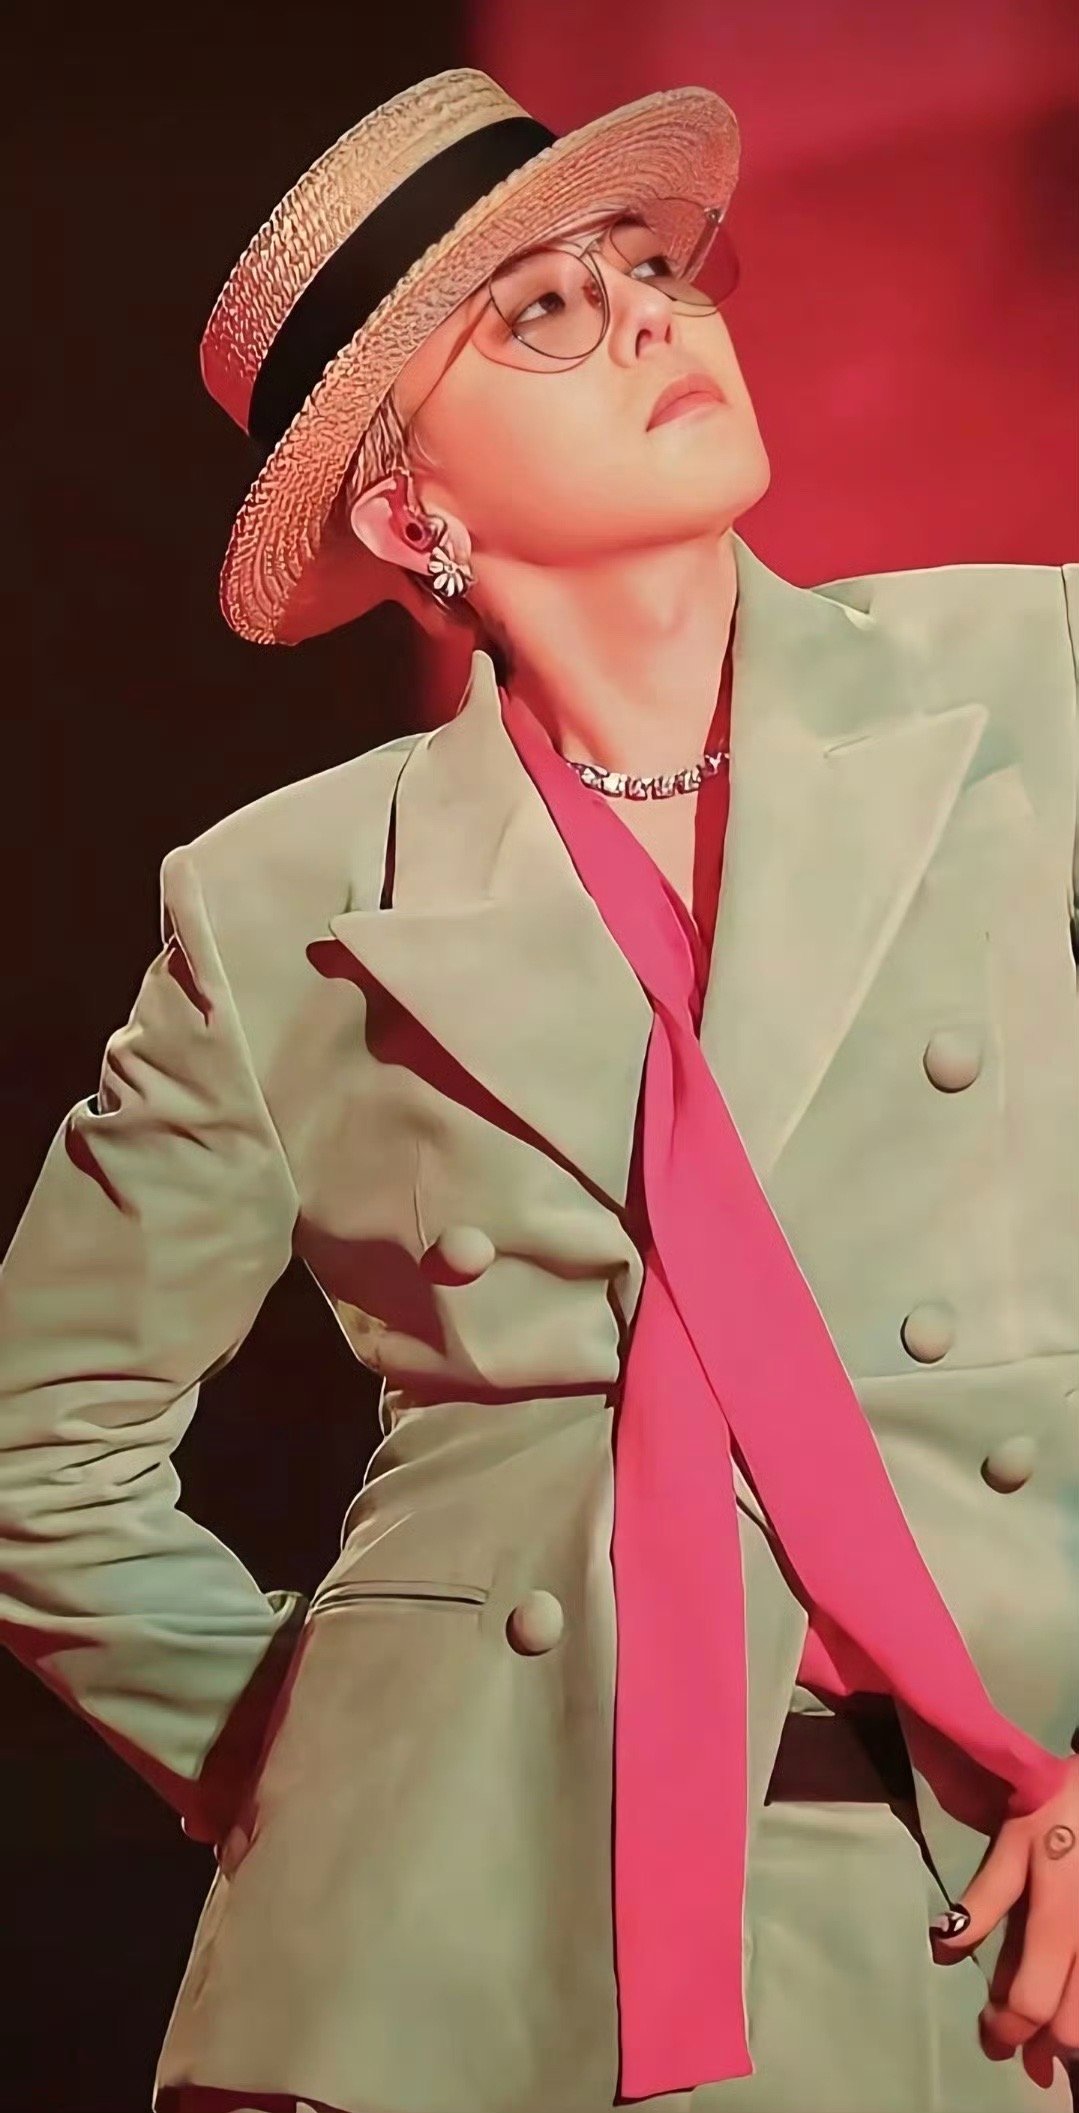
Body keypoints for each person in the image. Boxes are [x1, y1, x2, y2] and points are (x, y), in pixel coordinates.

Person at [1, 63, 1077, 2113]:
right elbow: (35, 1453)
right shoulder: (284, 903)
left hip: (980, 1937)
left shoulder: (1040, 685)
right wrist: (371, 1768)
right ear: (410, 511)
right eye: (549, 311)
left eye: (650, 268)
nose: (658, 315)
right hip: (456, 1981)